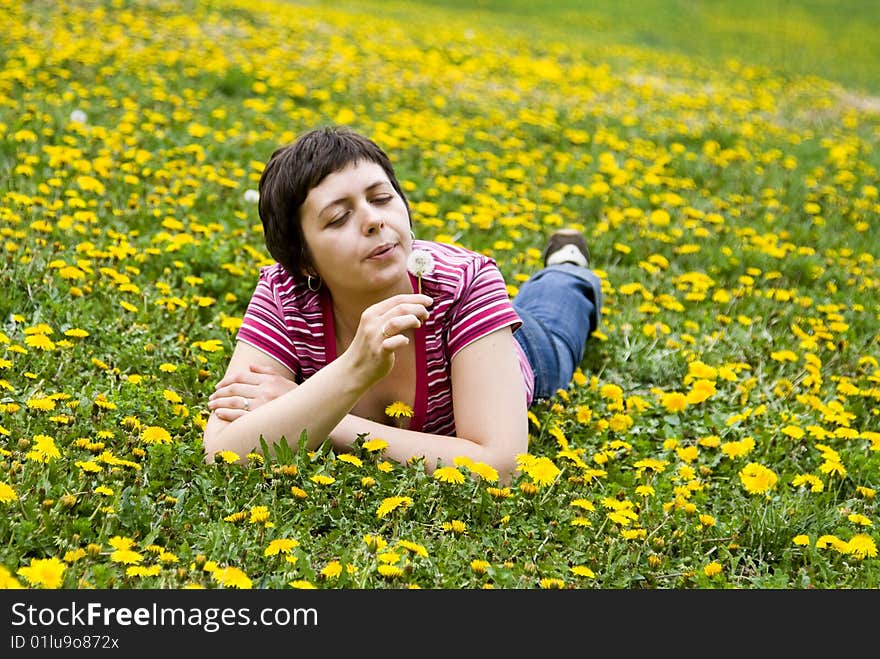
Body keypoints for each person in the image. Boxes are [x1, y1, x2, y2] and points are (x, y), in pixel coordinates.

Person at [203, 125, 602, 483]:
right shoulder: (284, 293)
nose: (374, 220)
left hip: (516, 352)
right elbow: (223, 451)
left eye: (381, 198)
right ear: (304, 260)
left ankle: (566, 266)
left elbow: (500, 466)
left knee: (557, 316)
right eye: (339, 218)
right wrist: (352, 372)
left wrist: (320, 418)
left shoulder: (467, 282)